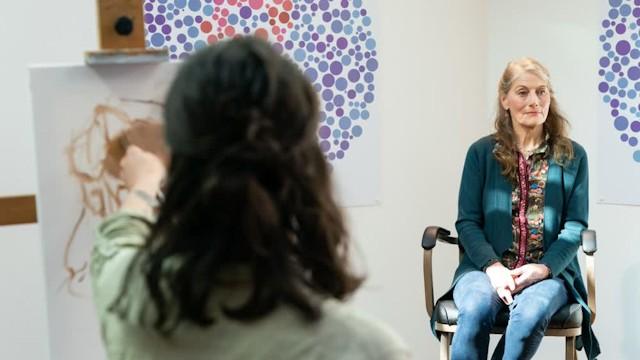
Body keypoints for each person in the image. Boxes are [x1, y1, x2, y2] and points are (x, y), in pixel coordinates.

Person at [91, 36, 410, 360]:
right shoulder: (363, 349)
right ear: (306, 169)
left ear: (179, 166)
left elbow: (114, 245)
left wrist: (144, 183)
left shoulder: (128, 299)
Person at [444, 57, 600, 359]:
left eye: (542, 92)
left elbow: (574, 226)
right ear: (505, 100)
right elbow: (467, 223)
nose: (534, 101)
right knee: (475, 308)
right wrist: (494, 268)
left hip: (552, 273)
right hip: (484, 270)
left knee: (529, 315)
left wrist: (543, 269)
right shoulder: (480, 153)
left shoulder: (573, 156)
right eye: (522, 92)